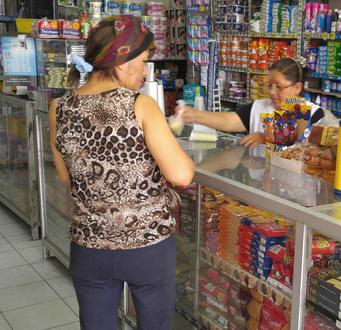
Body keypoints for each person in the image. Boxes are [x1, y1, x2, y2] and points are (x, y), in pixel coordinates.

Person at [48, 15, 195, 330]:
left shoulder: (59, 107)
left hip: (89, 246)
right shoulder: (140, 105)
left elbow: (65, 175)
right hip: (147, 247)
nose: (144, 71)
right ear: (122, 61)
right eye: (142, 62)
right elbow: (181, 174)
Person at [178, 57, 325, 147]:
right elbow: (229, 121)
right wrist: (195, 115)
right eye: (270, 85)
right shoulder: (260, 107)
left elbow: (303, 146)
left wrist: (265, 138)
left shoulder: (314, 114)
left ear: (297, 87)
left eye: (279, 87)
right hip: (261, 187)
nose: (272, 92)